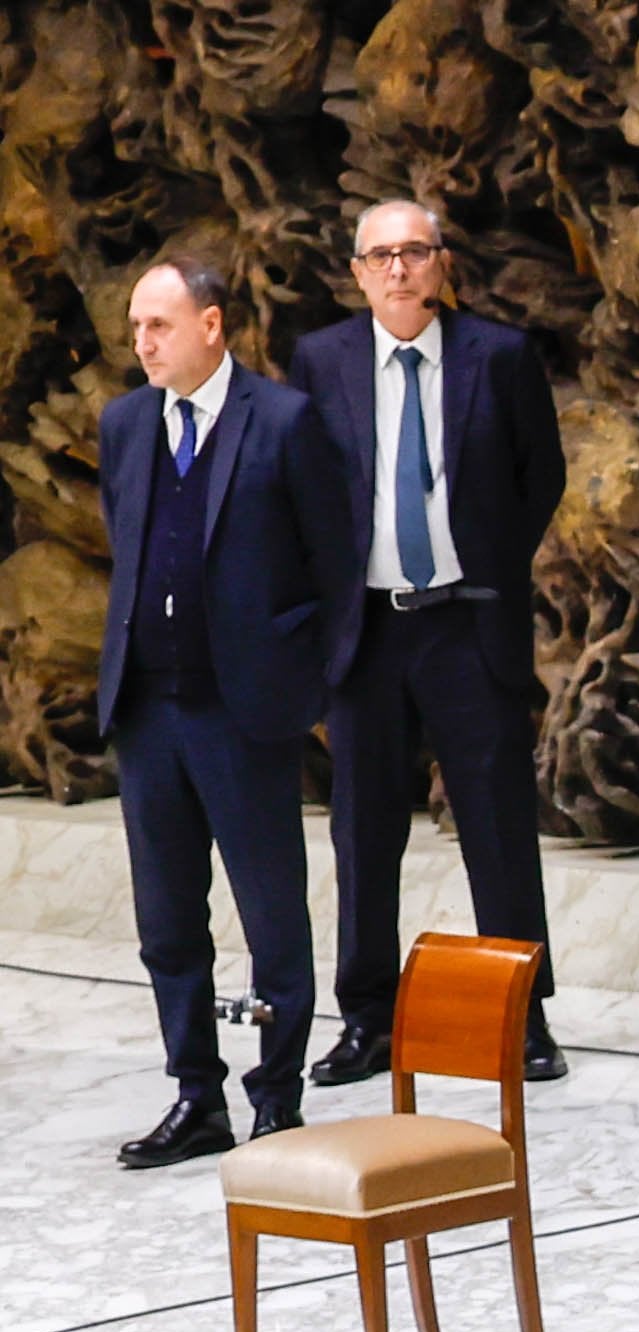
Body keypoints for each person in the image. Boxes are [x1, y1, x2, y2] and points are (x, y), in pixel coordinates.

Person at [295, 198, 570, 1090]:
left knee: (496, 824)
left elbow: (541, 475)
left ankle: (521, 1018)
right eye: (381, 256)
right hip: (367, 628)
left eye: (415, 252)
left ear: (443, 264)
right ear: (358, 271)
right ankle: (368, 1019)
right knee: (363, 830)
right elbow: (304, 487)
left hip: (466, 617)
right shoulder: (321, 360)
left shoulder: (501, 356)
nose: (399, 270)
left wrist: (488, 560)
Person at [95, 256, 353, 1170]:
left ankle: (275, 1097)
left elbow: (337, 559)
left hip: (244, 709)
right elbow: (124, 541)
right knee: (168, 917)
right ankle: (194, 1093)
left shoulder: (282, 420)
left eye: (158, 326)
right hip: (149, 710)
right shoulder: (125, 424)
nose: (142, 343)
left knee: (270, 910)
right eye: (135, 327)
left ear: (212, 326)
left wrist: (311, 679)